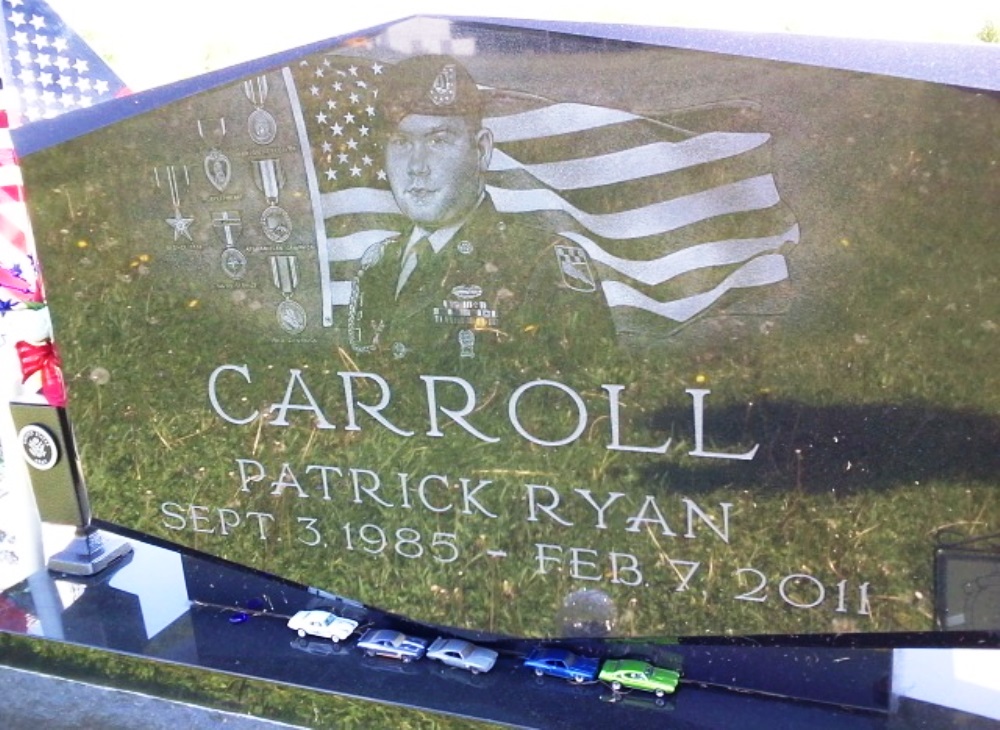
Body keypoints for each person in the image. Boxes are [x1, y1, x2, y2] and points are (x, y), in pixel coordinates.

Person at [347, 54, 615, 366]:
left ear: (482, 150)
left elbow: (583, 393)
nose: (417, 167)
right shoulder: (378, 261)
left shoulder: (541, 263)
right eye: (401, 142)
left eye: (438, 141)